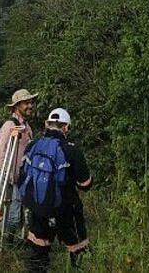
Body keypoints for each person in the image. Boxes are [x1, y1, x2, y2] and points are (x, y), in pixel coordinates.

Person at [22, 108, 92, 272]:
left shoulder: (33, 145)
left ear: (47, 124)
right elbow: (85, 185)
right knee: (78, 250)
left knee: (37, 255)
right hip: (66, 208)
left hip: (38, 206)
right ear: (66, 127)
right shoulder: (72, 150)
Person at [0, 88, 36, 239]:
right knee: (11, 217)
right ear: (17, 106)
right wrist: (8, 174)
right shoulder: (9, 126)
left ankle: (12, 243)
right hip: (10, 177)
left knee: (20, 215)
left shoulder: (27, 127)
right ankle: (3, 244)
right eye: (26, 103)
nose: (30, 106)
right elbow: (1, 152)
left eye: (30, 102)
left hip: (23, 177)